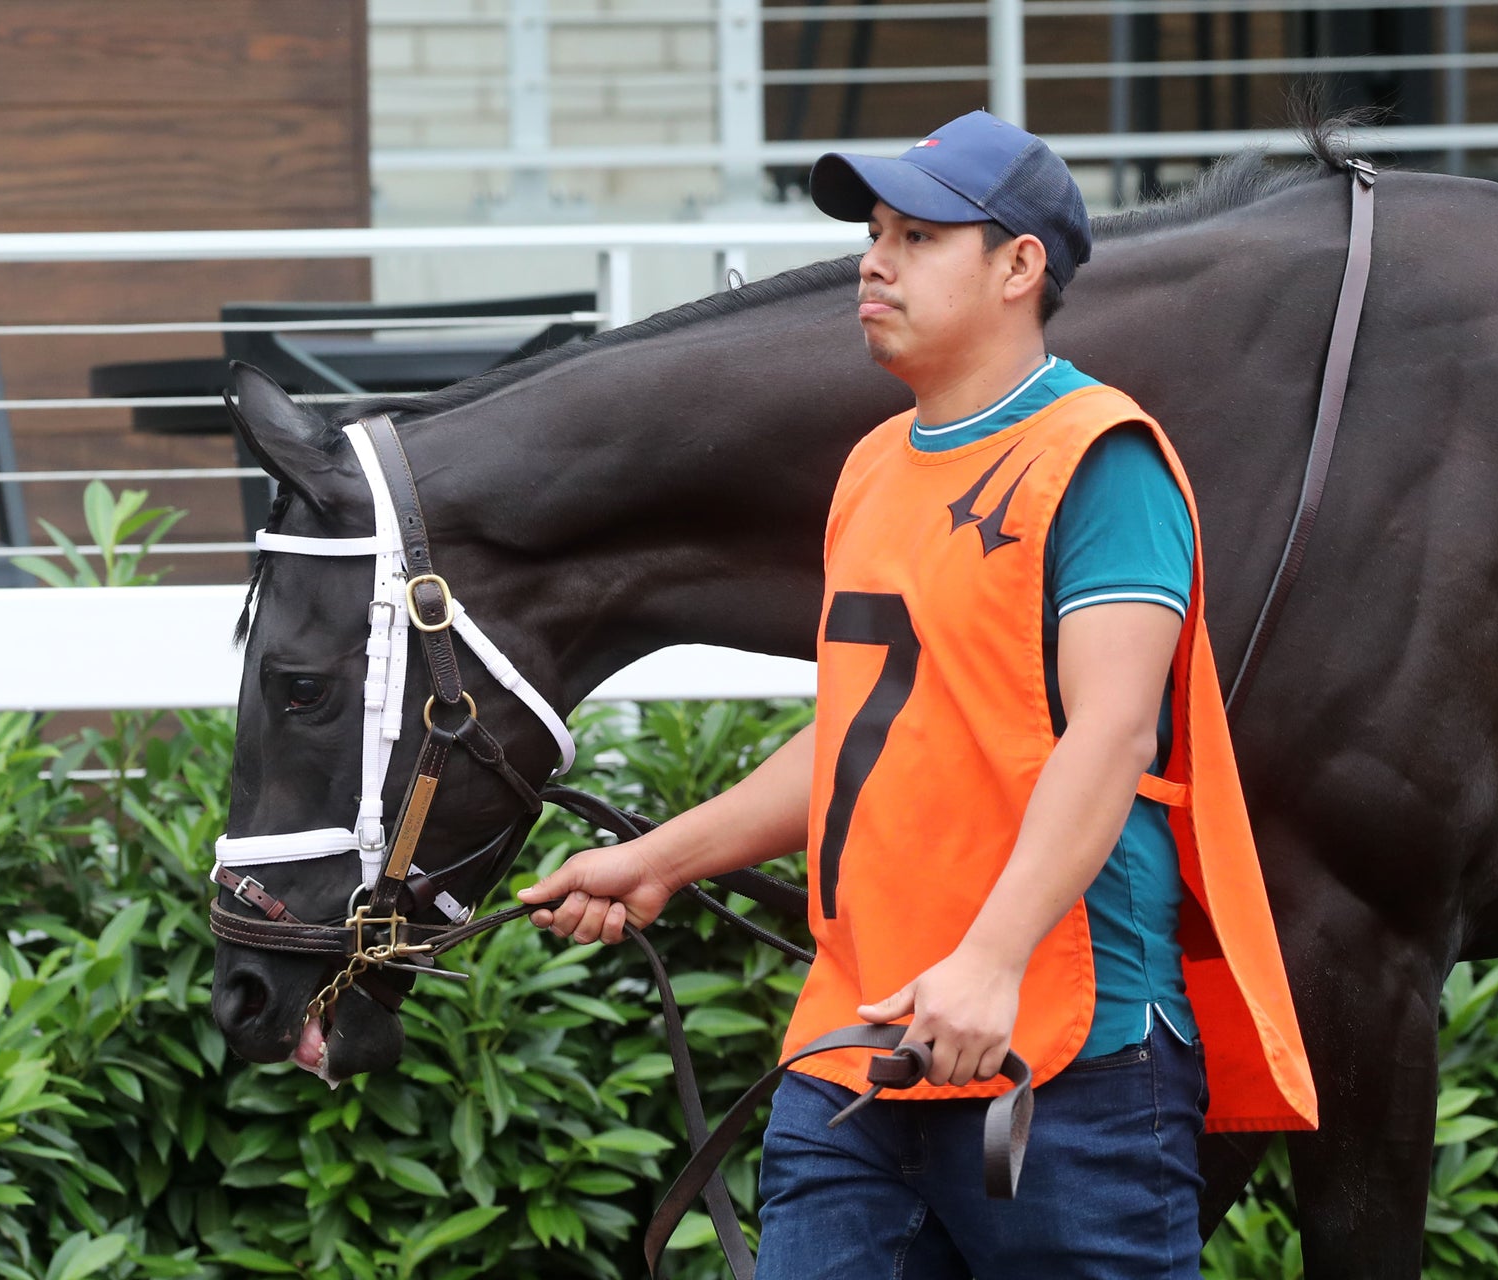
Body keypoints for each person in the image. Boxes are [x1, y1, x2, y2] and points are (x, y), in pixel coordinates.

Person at [520, 110, 1317, 1279]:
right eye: (874, 233)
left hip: (1063, 1066)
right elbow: (864, 733)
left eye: (917, 235)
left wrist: (989, 961)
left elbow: (1112, 732)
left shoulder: (1101, 457)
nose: (872, 261)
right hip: (853, 1059)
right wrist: (664, 858)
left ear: (1018, 266)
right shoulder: (872, 467)